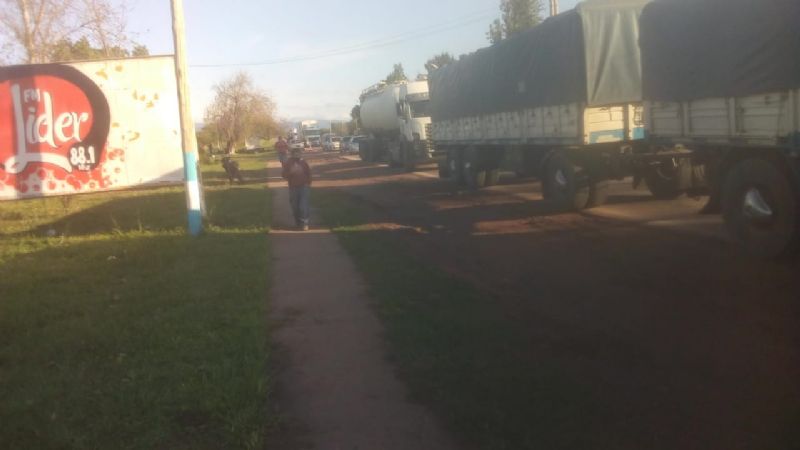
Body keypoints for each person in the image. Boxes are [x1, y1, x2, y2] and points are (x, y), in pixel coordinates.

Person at [281, 147, 312, 230]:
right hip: (293, 187)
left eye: (299, 153)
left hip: (304, 187)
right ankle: (298, 222)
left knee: (303, 206)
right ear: (292, 154)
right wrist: (291, 172)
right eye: (296, 154)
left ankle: (305, 223)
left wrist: (308, 183)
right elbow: (283, 175)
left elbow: (308, 173)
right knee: (295, 207)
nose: (298, 155)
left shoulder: (303, 162)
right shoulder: (288, 163)